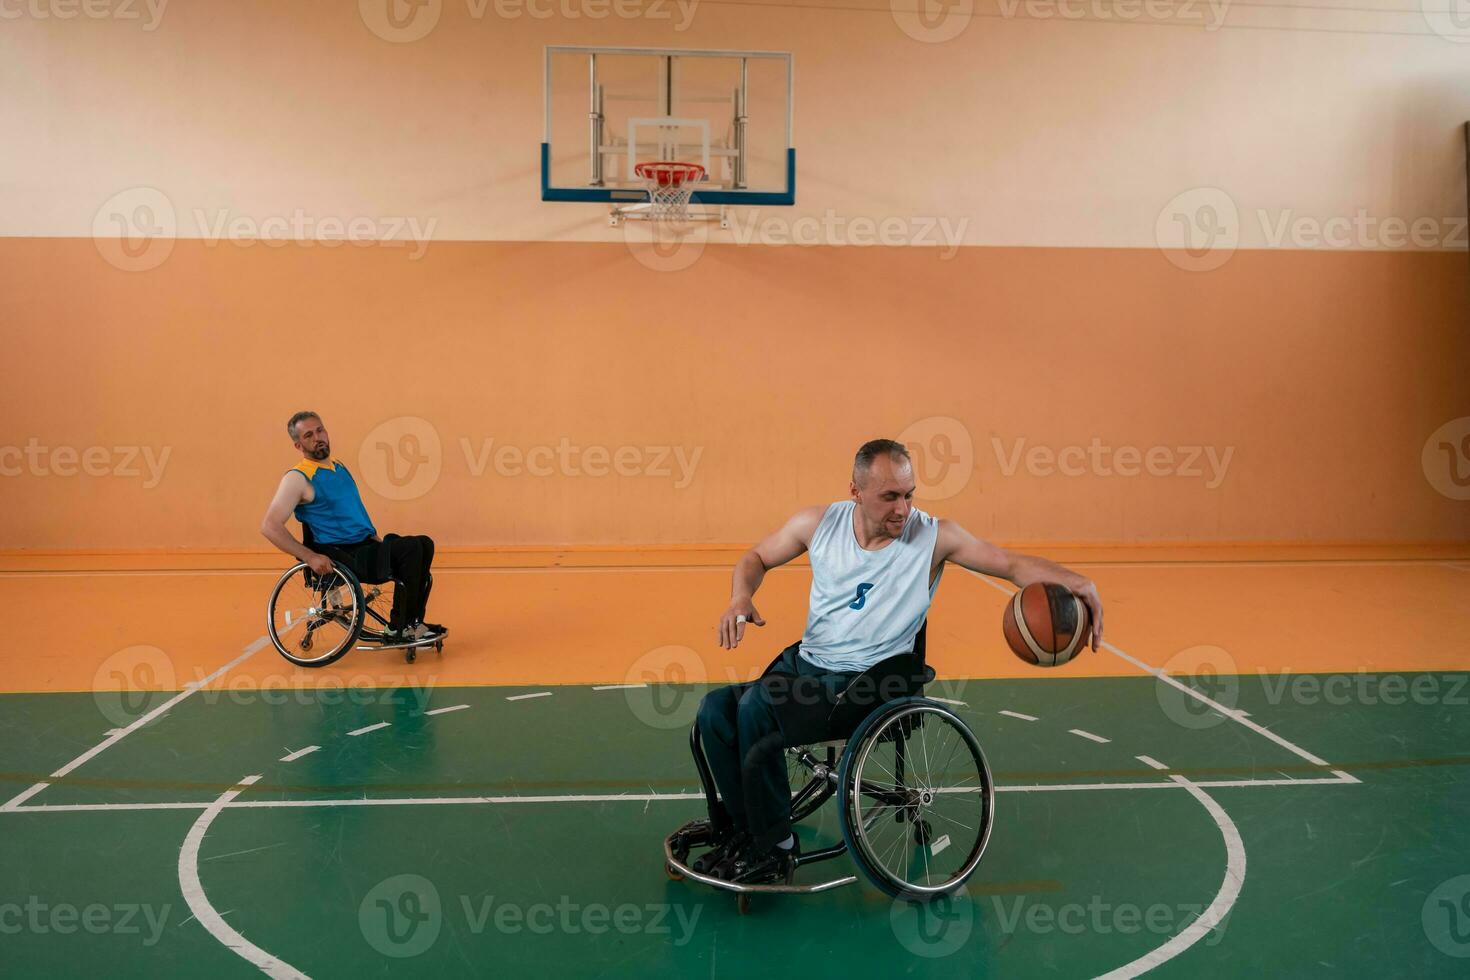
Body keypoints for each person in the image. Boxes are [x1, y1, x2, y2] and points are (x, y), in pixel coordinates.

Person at [694, 438, 1104, 883]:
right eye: (889, 496)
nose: (903, 508)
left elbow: (1008, 564)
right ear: (856, 490)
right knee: (715, 711)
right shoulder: (818, 524)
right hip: (806, 666)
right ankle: (746, 827)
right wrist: (740, 596)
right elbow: (756, 557)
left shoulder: (933, 537)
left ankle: (774, 845)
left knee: (758, 709)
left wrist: (1075, 579)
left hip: (867, 684)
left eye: (909, 495)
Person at [260, 411, 443, 643]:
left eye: (320, 430)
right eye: (308, 435)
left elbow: (354, 514)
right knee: (410, 549)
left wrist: (378, 540)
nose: (318, 437)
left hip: (365, 545)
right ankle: (398, 628)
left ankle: (413, 623)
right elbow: (269, 526)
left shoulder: (338, 467)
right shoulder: (298, 479)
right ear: (298, 445)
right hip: (344, 554)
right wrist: (310, 557)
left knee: (424, 544)